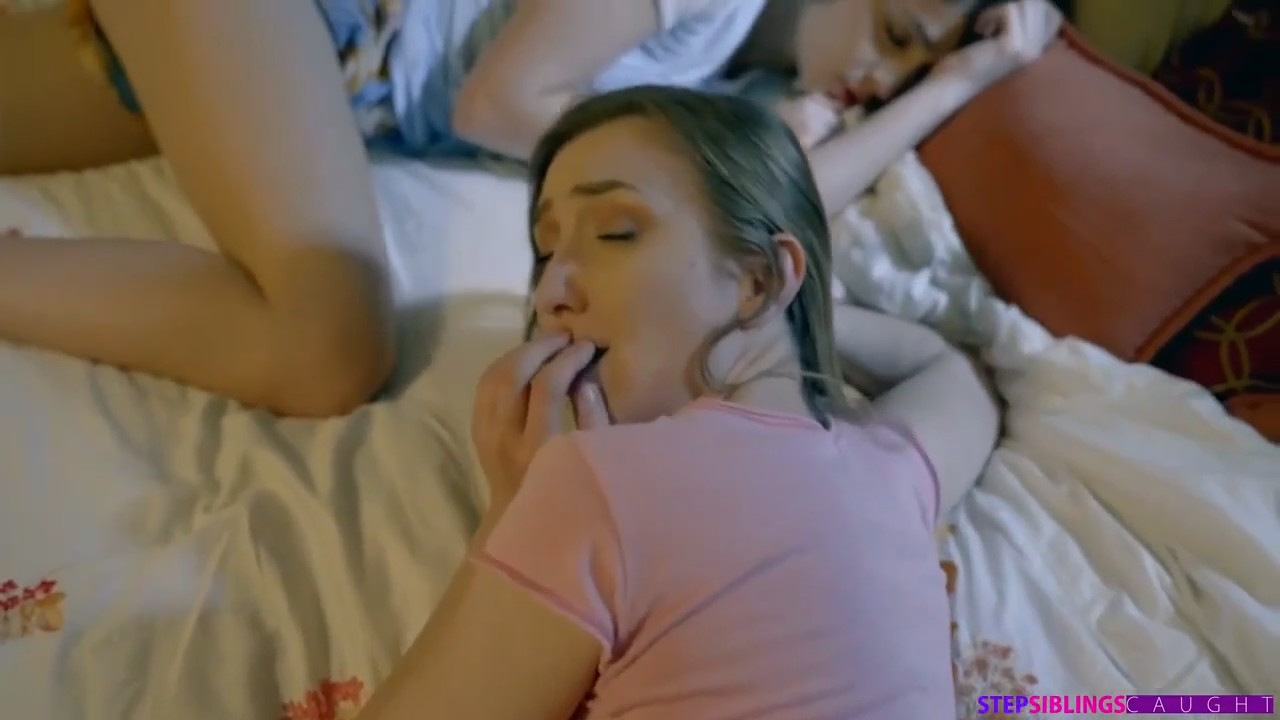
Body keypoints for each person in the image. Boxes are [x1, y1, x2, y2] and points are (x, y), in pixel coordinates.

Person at [0, 0, 1061, 418]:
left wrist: (953, 86)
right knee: (327, 346)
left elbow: (769, 221)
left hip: (306, 65)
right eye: (898, 31)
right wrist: (694, 164)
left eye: (909, 66)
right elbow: (498, 103)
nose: (883, 73)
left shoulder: (747, 86)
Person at [352, 85, 1000, 719]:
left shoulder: (597, 486)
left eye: (616, 232)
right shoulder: (891, 473)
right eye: (547, 252)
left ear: (757, 277)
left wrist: (512, 513)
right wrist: (789, 321)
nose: (549, 293)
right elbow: (951, 372)